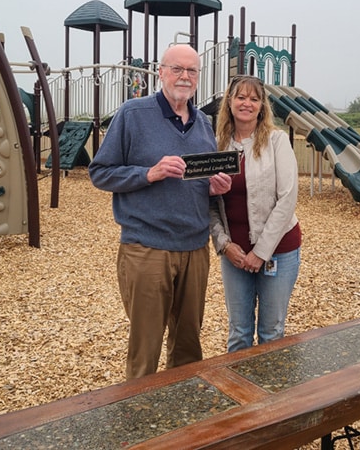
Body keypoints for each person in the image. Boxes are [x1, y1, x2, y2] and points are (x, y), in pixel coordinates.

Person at [88, 44, 231, 380]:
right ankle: (139, 417)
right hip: (147, 248)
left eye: (192, 71)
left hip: (195, 249)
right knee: (146, 347)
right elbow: (100, 172)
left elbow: (197, 180)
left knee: (188, 345)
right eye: (177, 69)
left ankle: (178, 415)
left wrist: (212, 187)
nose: (185, 77)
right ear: (161, 72)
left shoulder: (203, 124)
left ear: (199, 77)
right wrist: (147, 173)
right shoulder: (133, 114)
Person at [209, 75, 302, 352]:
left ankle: (271, 394)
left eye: (254, 98)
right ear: (230, 102)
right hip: (234, 253)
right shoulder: (217, 144)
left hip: (278, 250)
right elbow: (209, 201)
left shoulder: (276, 141)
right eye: (240, 97)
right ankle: (241, 394)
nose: (246, 103)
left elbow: (287, 199)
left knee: (271, 332)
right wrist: (224, 245)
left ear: (262, 106)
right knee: (239, 332)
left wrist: (260, 252)